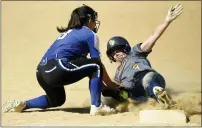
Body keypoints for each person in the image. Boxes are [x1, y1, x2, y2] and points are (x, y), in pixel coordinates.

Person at [3, 4, 124, 116]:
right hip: (59, 67)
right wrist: (111, 85)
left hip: (41, 72)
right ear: (89, 19)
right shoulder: (89, 34)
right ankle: (96, 106)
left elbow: (88, 70)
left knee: (57, 100)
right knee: (96, 65)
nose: (95, 22)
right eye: (93, 19)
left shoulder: (69, 33)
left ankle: (24, 104)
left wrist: (102, 87)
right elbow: (97, 65)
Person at [105, 4, 183, 109]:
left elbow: (153, 37)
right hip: (137, 94)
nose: (116, 54)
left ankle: (162, 97)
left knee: (147, 80)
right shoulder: (118, 75)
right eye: (113, 53)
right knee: (124, 95)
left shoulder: (135, 53)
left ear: (126, 48)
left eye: (118, 49)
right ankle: (155, 103)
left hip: (149, 79)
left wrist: (167, 21)